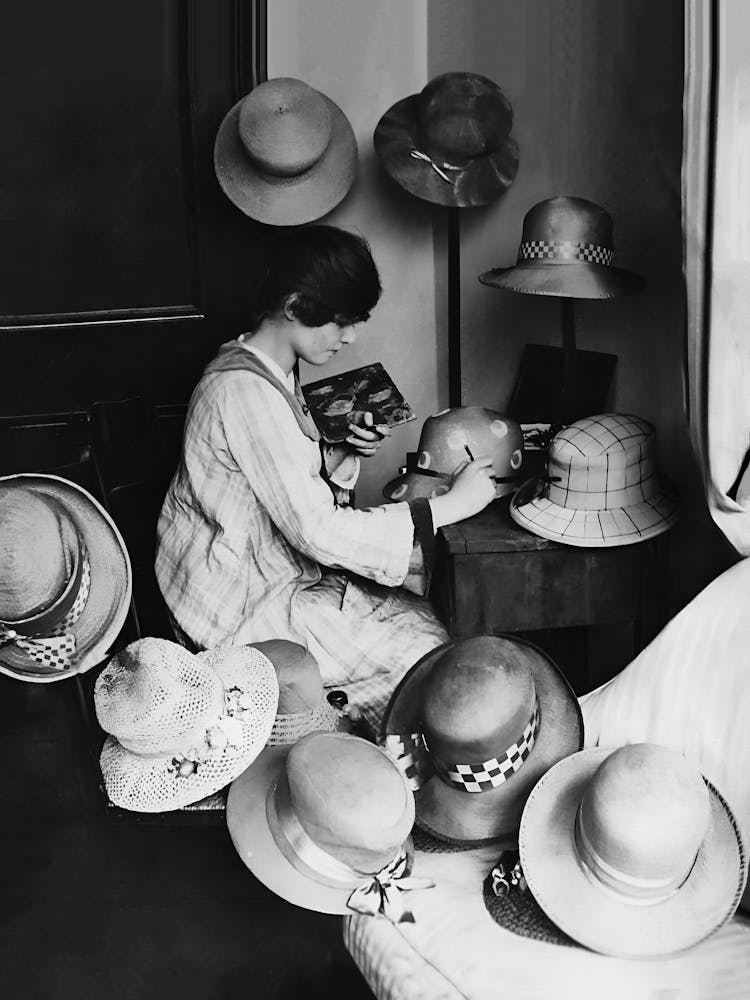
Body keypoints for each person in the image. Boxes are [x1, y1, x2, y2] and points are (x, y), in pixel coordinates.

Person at [155, 225, 495, 728]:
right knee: (421, 655)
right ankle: (377, 765)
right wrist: (448, 506)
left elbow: (278, 477)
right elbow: (316, 530)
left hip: (260, 564)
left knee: (417, 618)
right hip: (232, 598)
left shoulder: (273, 366)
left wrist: (335, 452)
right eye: (341, 323)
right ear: (294, 306)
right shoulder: (242, 393)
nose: (351, 336)